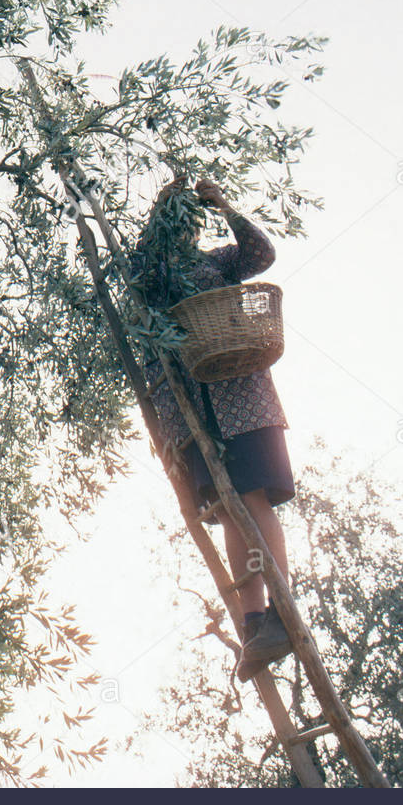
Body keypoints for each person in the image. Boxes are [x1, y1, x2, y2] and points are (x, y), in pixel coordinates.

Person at [135, 177, 295, 681]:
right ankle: (253, 624)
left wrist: (225, 204)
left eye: (187, 219)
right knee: (226, 511)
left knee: (253, 499)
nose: (183, 229)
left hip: (240, 396)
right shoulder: (156, 272)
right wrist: (157, 211)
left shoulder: (219, 261)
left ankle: (281, 613)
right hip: (191, 413)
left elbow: (261, 251)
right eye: (174, 221)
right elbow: (136, 275)